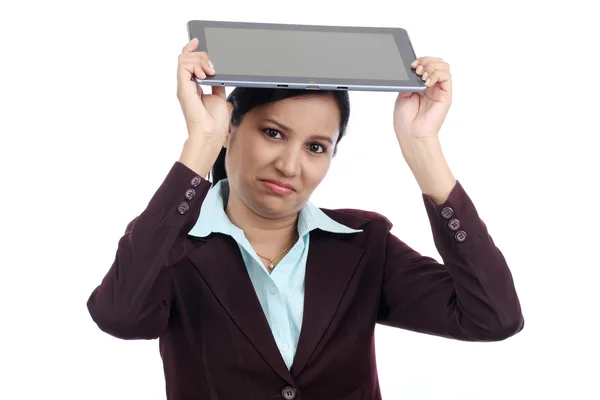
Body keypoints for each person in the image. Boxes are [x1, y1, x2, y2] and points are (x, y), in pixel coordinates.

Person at [87, 37, 524, 400]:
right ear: (231, 130)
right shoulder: (173, 244)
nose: (290, 166)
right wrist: (201, 142)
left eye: (316, 147)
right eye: (273, 133)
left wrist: (423, 147)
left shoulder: (363, 242)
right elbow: (120, 316)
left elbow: (492, 316)